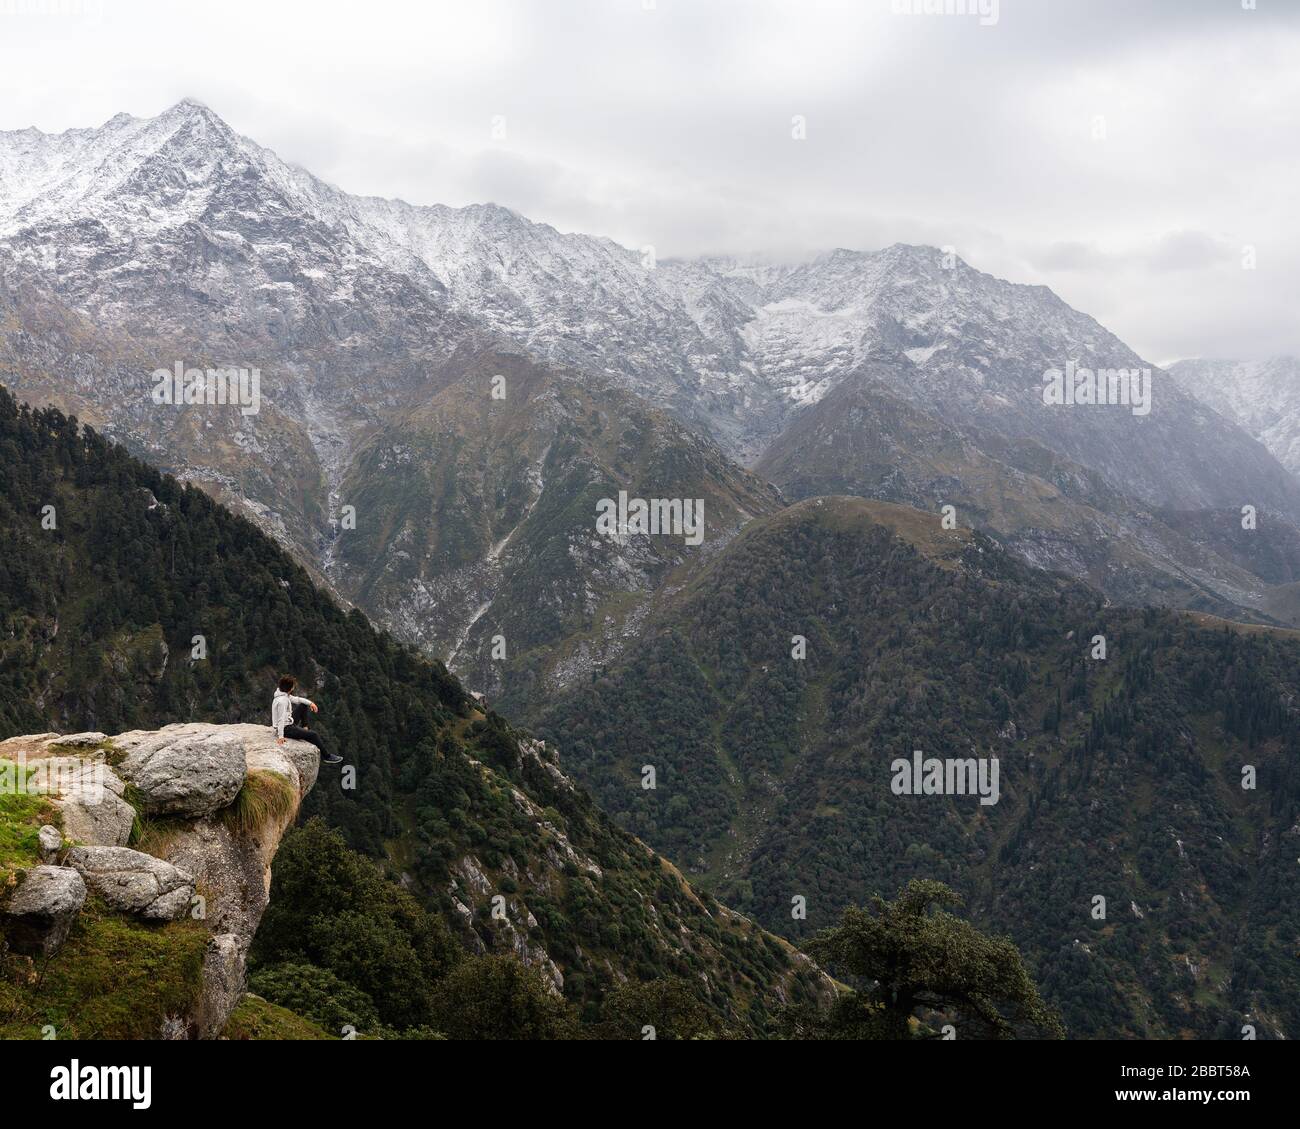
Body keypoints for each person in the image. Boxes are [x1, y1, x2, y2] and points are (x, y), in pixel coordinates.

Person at [272, 675, 342, 765]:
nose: (293, 688)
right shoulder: (283, 701)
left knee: (303, 705)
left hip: (288, 722)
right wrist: (281, 736)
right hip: (287, 729)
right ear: (290, 688)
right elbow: (281, 719)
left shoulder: (282, 694)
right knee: (313, 735)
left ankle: (305, 727)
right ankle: (327, 757)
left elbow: (297, 699)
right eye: (293, 686)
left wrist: (311, 703)